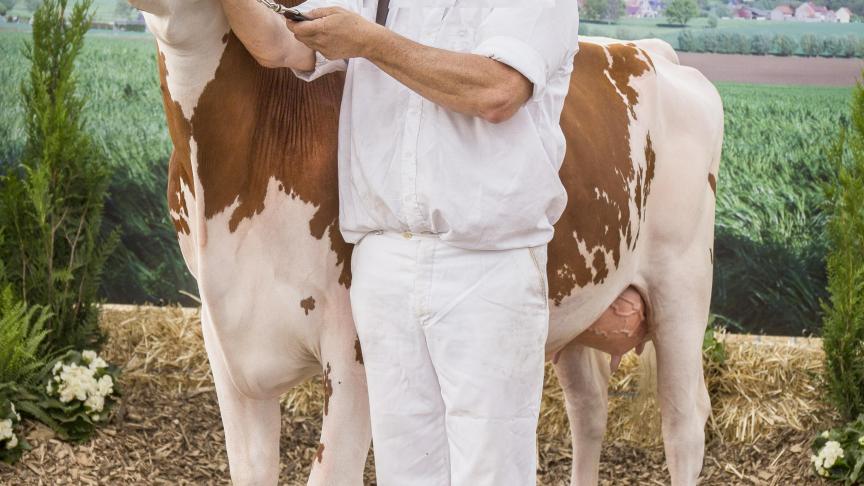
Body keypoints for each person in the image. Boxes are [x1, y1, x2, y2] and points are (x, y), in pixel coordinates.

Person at [219, 1, 579, 484]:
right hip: (383, 262)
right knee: (405, 472)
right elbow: (276, 43)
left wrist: (369, 41)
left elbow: (498, 89)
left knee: (491, 469)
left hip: (486, 263)